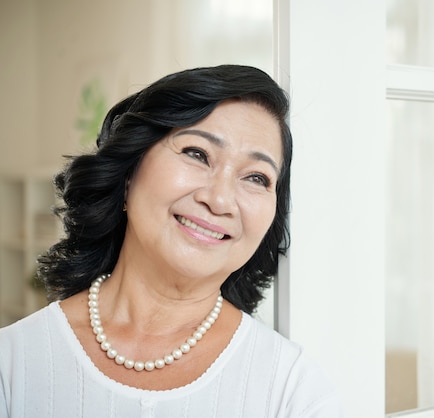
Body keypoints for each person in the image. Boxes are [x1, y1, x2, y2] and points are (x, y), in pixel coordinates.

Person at [0, 65, 342, 417]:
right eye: (197, 154)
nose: (220, 200)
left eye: (256, 177)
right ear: (130, 172)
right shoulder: (12, 365)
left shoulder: (294, 389)